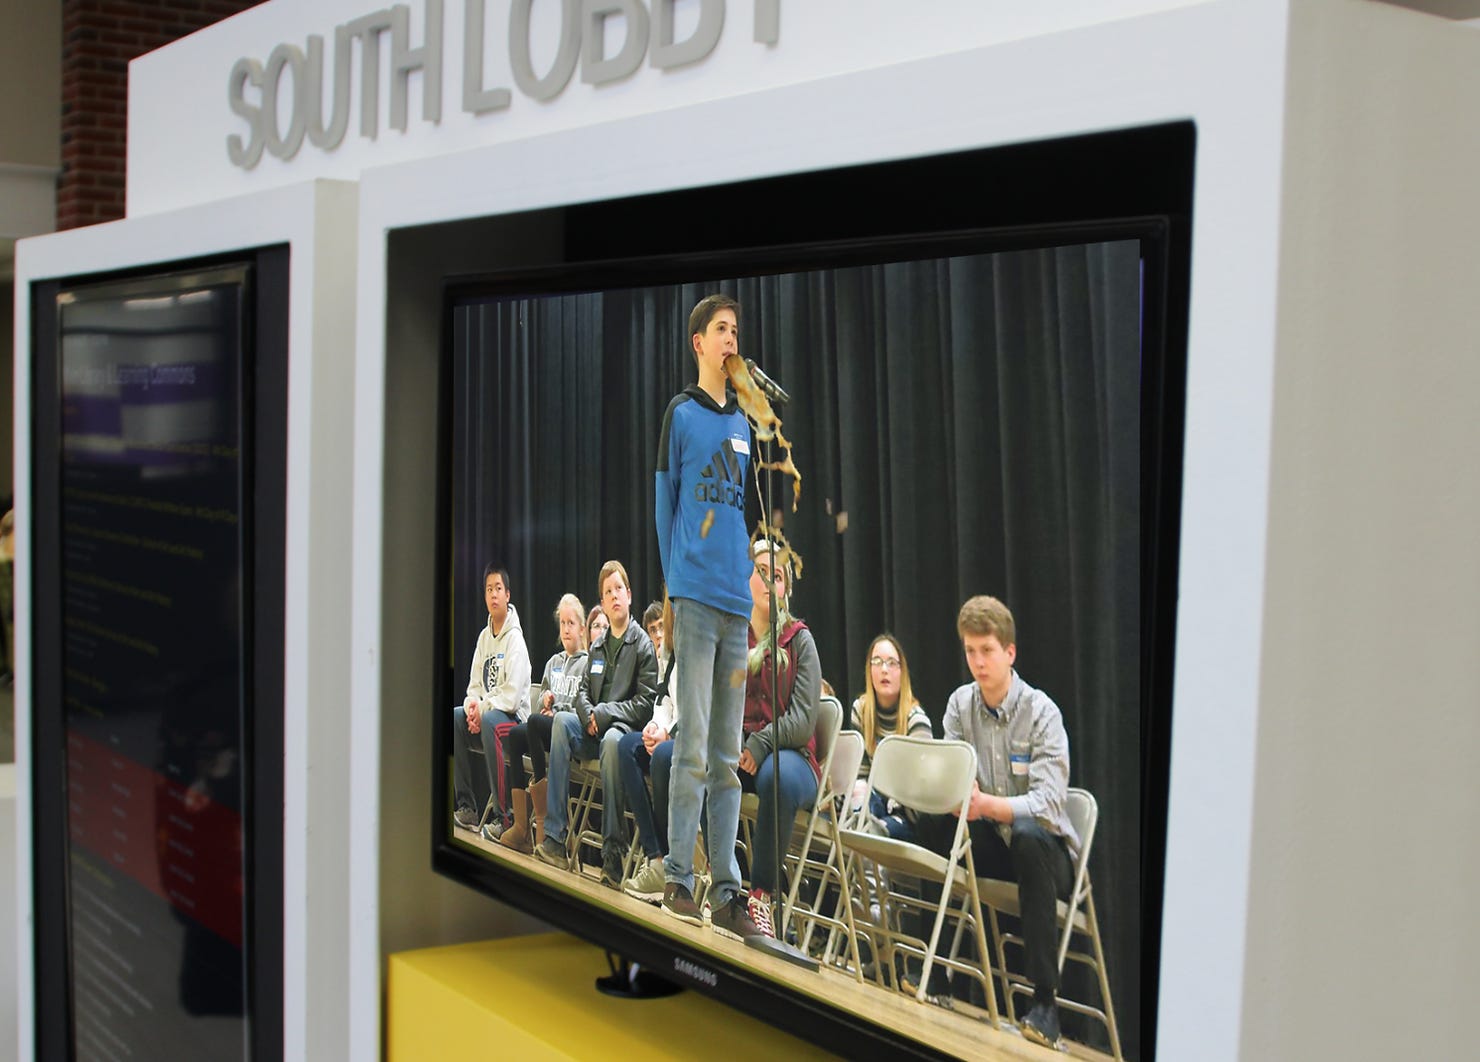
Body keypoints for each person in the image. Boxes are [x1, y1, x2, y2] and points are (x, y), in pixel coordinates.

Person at [921, 595, 1079, 1049]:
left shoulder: (1042, 712)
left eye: (987, 650)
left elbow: (1048, 804)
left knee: (1028, 835)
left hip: (1048, 854)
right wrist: (954, 796)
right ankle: (935, 970)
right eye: (970, 651)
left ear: (1010, 653)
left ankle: (1045, 1004)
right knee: (935, 823)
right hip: (996, 842)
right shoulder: (959, 704)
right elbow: (953, 773)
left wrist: (985, 804)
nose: (978, 661)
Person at [654, 293, 765, 941]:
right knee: (692, 744)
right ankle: (678, 876)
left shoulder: (745, 424)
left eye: (736, 331)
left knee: (726, 754)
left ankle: (726, 889)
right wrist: (673, 587)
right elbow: (664, 501)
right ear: (699, 342)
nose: (731, 339)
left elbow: (743, 512)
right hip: (694, 599)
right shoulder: (681, 413)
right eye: (722, 330)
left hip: (735, 607)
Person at [534, 561, 658, 887]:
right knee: (561, 721)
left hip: (621, 731)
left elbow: (645, 704)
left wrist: (603, 714)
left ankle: (613, 856)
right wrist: (588, 712)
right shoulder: (599, 646)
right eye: (607, 592)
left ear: (629, 595)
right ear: (602, 602)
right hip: (593, 728)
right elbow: (582, 692)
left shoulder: (642, 645)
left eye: (618, 589)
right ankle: (555, 839)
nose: (614, 596)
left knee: (613, 741)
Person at [736, 536, 821, 939]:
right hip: (745, 751)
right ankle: (717, 881)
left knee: (776, 777)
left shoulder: (800, 640)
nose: (770, 582)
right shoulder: (735, 636)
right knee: (687, 760)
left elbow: (803, 721)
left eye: (779, 576)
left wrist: (761, 742)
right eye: (762, 572)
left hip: (793, 757)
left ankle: (761, 897)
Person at [497, 594, 589, 852]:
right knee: (516, 735)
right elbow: (540, 703)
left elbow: (583, 707)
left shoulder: (586, 664)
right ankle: (521, 826)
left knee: (535, 723)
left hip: (567, 732)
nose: (566, 629)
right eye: (563, 623)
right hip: (544, 727)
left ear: (582, 629)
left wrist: (556, 710)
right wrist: (545, 701)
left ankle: (543, 821)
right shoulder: (553, 663)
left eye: (571, 623)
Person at [451, 565, 532, 832]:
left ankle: (504, 817)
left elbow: (511, 699)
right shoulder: (484, 638)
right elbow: (474, 686)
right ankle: (467, 807)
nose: (493, 594)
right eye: (489, 589)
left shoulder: (515, 640)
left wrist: (482, 711)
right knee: (455, 718)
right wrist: (471, 708)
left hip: (516, 724)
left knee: (491, 723)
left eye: (498, 588)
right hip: (488, 718)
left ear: (508, 595)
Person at [619, 597, 681, 903]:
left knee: (662, 758)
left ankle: (669, 863)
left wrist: (669, 733)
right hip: (668, 731)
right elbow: (663, 699)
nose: (657, 633)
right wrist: (655, 727)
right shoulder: (667, 651)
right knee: (626, 747)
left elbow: (699, 706)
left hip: (691, 737)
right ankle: (654, 856)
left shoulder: (697, 641)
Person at [850, 633, 933, 839]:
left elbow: (921, 794)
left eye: (891, 663)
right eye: (877, 662)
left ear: (902, 672)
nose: (884, 669)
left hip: (906, 814)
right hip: (872, 802)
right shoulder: (861, 710)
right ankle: (861, 831)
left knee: (879, 830)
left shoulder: (916, 720)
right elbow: (861, 774)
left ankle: (866, 837)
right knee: (859, 795)